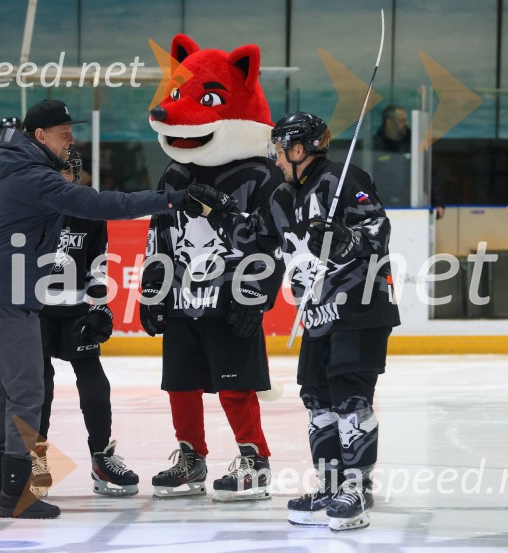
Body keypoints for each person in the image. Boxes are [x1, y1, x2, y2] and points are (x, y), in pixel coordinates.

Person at [0, 99, 197, 519]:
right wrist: (169, 200)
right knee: (27, 391)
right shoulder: (33, 175)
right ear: (39, 135)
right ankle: (16, 495)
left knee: (3, 389)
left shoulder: (2, 166)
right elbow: (98, 205)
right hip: (8, 292)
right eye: (64, 132)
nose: (71, 139)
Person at [197, 112, 401, 531]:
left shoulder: (345, 180)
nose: (274, 160)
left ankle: (356, 488)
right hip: (317, 314)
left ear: (298, 149)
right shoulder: (281, 197)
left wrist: (349, 238)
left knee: (349, 399)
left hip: (360, 308)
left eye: (278, 151)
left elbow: (378, 229)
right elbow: (253, 238)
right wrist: (220, 212)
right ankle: (331, 486)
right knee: (317, 400)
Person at [142, 34, 285, 502]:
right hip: (184, 299)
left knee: (235, 386)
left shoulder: (261, 176)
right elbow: (159, 234)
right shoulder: (175, 172)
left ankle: (254, 459)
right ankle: (191, 457)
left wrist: (258, 295)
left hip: (231, 299)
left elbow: (274, 240)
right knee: (180, 384)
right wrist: (153, 290)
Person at [30, 145, 139, 499]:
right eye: (58, 170)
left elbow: (98, 262)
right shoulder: (30, 207)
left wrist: (100, 304)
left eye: (69, 170)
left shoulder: (89, 209)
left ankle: (101, 457)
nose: (64, 177)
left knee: (94, 381)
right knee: (37, 385)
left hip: (75, 308)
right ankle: (34, 459)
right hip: (36, 311)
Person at [372, 104, 445, 218]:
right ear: (389, 123)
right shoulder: (373, 145)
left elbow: (429, 173)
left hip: (410, 205)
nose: (406, 124)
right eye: (402, 121)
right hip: (382, 206)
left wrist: (438, 202)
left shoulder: (414, 143)